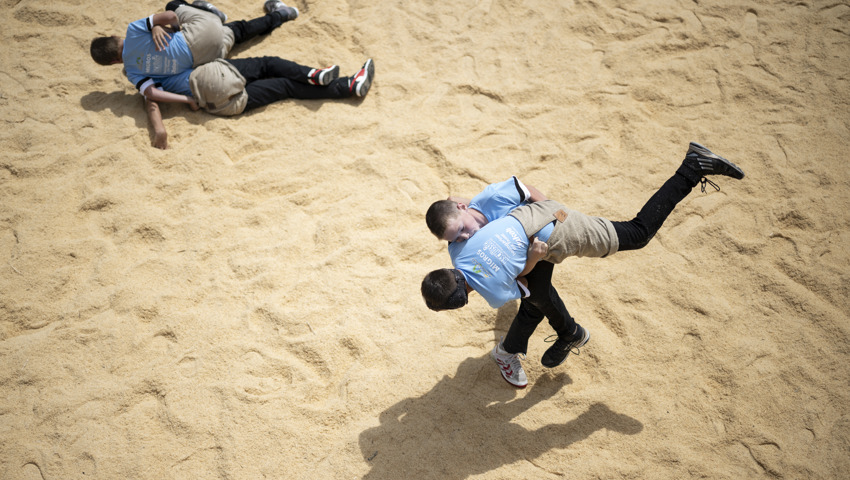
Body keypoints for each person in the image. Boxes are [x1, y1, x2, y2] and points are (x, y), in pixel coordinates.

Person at [421, 142, 745, 388]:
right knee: (536, 298)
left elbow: (532, 218)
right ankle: (542, 341)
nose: (467, 234)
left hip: (550, 232)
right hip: (538, 232)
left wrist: (554, 222)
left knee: (637, 234)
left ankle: (692, 167)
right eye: (458, 235)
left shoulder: (487, 212)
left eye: (463, 227)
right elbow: (481, 264)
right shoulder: (457, 250)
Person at [144, 57, 375, 148]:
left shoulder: (143, 80)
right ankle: (315, 75)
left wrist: (160, 130)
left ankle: (347, 87)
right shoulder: (157, 58)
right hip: (216, 77)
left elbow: (151, 101)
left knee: (284, 87)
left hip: (224, 106)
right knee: (267, 65)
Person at [89, 0, 299, 97]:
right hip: (201, 32)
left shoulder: (134, 73)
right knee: (173, 5)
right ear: (115, 36)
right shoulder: (133, 30)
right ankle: (209, 10)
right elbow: (172, 17)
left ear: (114, 62)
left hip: (208, 61)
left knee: (237, 31)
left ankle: (281, 15)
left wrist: (186, 99)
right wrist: (163, 28)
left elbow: (153, 94)